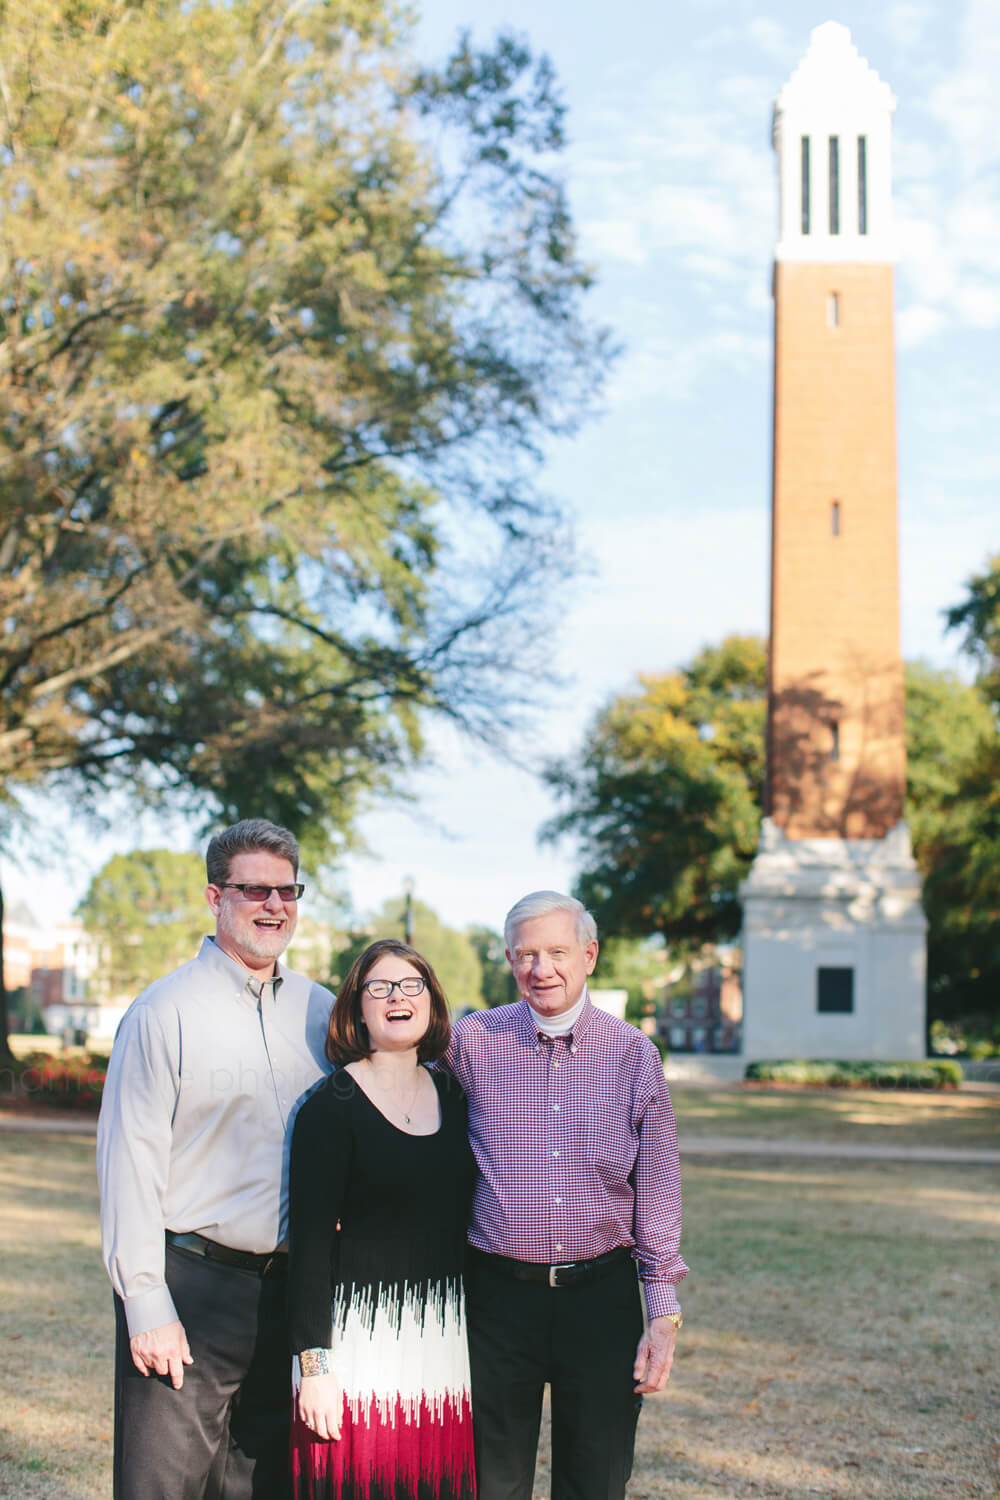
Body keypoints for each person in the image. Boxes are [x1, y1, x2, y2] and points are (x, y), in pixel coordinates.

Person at [97, 818, 333, 1500]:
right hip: (191, 1287)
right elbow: (130, 1162)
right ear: (214, 897)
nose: (274, 905)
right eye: (254, 889)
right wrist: (145, 1302)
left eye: (288, 890)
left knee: (261, 1488)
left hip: (288, 1296)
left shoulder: (322, 1013)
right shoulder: (163, 1011)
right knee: (162, 1487)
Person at [444, 890, 688, 1500]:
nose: (540, 969)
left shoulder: (634, 1053)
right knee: (488, 1482)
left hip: (599, 1301)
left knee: (596, 1480)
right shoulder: (471, 1043)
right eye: (525, 954)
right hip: (496, 1299)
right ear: (507, 958)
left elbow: (657, 1184)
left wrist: (661, 1305)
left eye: (556, 952)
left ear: (589, 955)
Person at [287, 939, 476, 1500]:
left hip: (442, 1339)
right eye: (380, 987)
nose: (398, 997)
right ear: (357, 1008)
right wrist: (315, 1369)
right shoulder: (330, 1106)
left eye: (412, 985)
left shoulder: (454, 1093)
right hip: (358, 1337)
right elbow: (311, 1245)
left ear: (433, 1002)